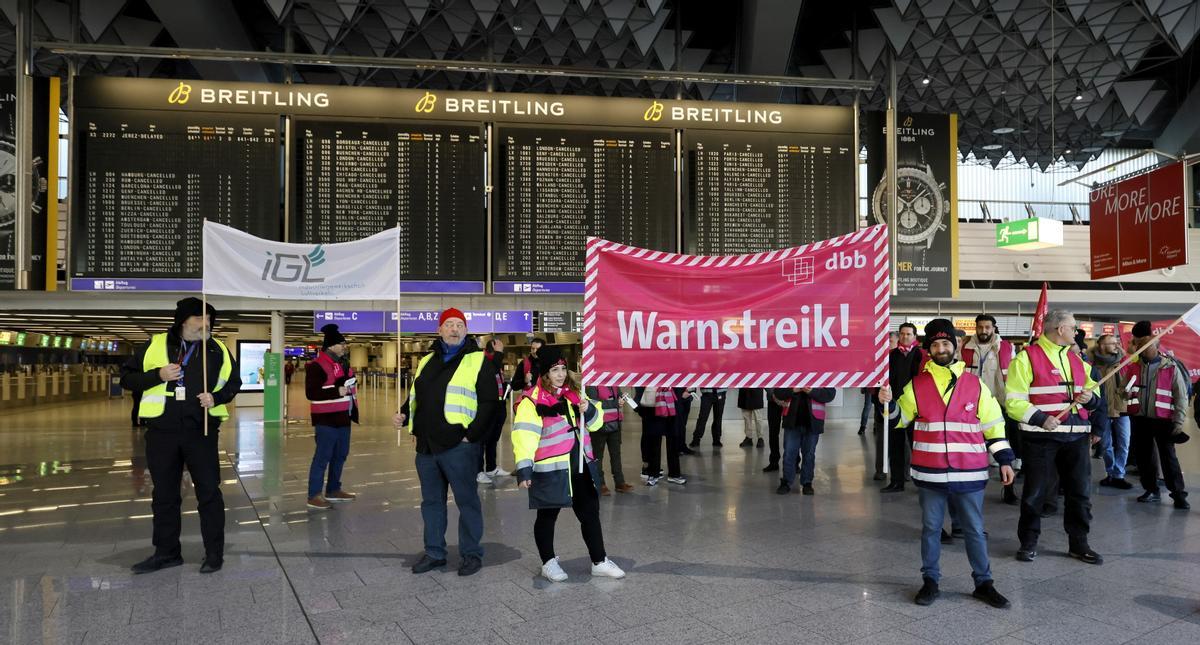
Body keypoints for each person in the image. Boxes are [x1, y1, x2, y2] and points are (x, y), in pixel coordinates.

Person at [879, 318, 1014, 609]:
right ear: (928, 350)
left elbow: (993, 425)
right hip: (930, 473)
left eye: (946, 343)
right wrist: (886, 404)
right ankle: (930, 581)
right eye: (936, 344)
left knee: (974, 530)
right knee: (931, 529)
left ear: (954, 347)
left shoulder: (974, 384)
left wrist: (1004, 459)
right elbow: (898, 420)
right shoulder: (917, 385)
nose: (941, 348)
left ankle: (984, 582)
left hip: (970, 471)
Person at [120, 297, 242, 574]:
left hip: (202, 431)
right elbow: (126, 378)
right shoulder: (155, 345)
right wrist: (158, 375)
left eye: (209, 318)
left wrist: (217, 397)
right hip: (162, 432)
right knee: (164, 494)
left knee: (209, 492)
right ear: (183, 321)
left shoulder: (217, 349)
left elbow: (234, 382)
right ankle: (166, 553)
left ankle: (214, 554)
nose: (206, 323)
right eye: (200, 318)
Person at [395, 308, 498, 577]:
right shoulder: (426, 360)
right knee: (431, 503)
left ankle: (471, 554)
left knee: (467, 501)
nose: (454, 329)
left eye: (459, 325)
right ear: (439, 330)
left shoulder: (478, 361)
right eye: (449, 324)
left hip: (459, 446)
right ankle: (434, 553)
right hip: (426, 446)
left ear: (466, 331)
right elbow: (417, 395)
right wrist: (405, 414)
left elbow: (490, 404)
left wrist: (471, 435)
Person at [513, 347, 626, 582]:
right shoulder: (531, 401)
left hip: (580, 465)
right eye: (555, 370)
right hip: (551, 470)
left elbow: (595, 425)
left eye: (564, 368)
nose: (561, 374)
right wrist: (524, 469)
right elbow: (524, 436)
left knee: (590, 514)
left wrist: (590, 409)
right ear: (544, 373)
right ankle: (548, 562)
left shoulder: (574, 395)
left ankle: (599, 560)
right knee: (547, 516)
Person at [1005, 309, 1104, 565]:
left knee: (1080, 494)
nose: (1076, 331)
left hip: (1077, 438)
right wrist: (1040, 418)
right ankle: (1028, 543)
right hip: (1041, 438)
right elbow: (1013, 402)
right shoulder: (1026, 358)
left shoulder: (1077, 360)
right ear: (1060, 329)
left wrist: (1090, 399)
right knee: (1035, 493)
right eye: (1073, 327)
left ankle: (1079, 544)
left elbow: (1096, 398)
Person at [1124, 321, 1190, 510]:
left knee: (1168, 458)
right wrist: (1125, 393)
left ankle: (1178, 494)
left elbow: (1181, 396)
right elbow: (1124, 389)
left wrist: (1178, 421)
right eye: (1140, 347)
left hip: (1163, 420)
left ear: (1156, 347)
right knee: (1145, 457)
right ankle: (1151, 490)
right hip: (1140, 418)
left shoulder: (1170, 368)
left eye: (1146, 347)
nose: (1142, 350)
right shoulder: (1134, 367)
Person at [959, 314, 1020, 504]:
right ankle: (968, 489)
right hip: (971, 404)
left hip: (999, 405)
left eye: (987, 327)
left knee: (1003, 446)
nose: (984, 331)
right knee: (969, 445)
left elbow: (1014, 376)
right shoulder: (965, 347)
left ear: (994, 328)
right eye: (980, 327)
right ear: (975, 327)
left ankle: (1009, 488)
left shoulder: (1006, 348)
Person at [305, 324, 359, 510]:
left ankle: (333, 489)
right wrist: (337, 390)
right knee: (323, 456)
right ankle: (314, 495)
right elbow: (311, 393)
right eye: (341, 344)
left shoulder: (343, 364)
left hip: (343, 417)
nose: (344, 346)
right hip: (326, 419)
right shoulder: (316, 366)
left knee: (340, 455)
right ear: (331, 346)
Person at [881, 323, 925, 493]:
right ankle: (896, 481)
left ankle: (923, 481)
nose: (905, 337)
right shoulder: (891, 356)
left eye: (909, 334)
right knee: (895, 446)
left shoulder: (922, 355)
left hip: (917, 409)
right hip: (895, 408)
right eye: (902, 334)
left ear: (915, 336)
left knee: (919, 447)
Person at [773, 386, 835, 495]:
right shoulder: (790, 372)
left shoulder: (822, 373)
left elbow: (830, 394)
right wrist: (793, 390)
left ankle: (807, 483)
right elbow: (778, 392)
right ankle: (786, 482)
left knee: (809, 454)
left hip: (813, 422)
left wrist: (812, 391)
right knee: (789, 454)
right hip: (792, 422)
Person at [1091, 334, 1132, 489]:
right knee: (1106, 445)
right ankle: (1110, 473)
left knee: (1124, 443)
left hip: (1122, 409)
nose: (1116, 345)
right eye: (1112, 342)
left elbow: (1131, 382)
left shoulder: (1124, 362)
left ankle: (1119, 474)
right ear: (1101, 344)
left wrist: (1130, 391)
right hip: (1102, 411)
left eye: (1117, 342)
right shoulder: (1092, 364)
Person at [584, 384, 633, 495]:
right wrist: (615, 403)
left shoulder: (613, 382)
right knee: (597, 457)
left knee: (616, 455)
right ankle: (600, 484)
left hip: (615, 424)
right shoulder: (592, 384)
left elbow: (618, 395)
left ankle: (620, 482)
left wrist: (622, 398)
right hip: (599, 426)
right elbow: (594, 403)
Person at [637, 386, 686, 485]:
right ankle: (653, 474)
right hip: (652, 406)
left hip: (671, 402)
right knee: (654, 440)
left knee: (673, 440)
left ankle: (674, 474)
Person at [478, 338, 511, 484]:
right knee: (482, 440)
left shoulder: (497, 363)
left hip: (499, 405)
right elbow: (490, 369)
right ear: (494, 347)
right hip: (486, 406)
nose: (502, 349)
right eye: (500, 346)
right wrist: (499, 353)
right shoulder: (482, 360)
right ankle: (478, 471)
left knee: (493, 439)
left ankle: (491, 467)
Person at [510, 337, 545, 407]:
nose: (535, 351)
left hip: (545, 402)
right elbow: (514, 386)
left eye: (538, 349)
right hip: (529, 403)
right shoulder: (523, 364)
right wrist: (524, 381)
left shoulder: (549, 363)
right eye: (533, 348)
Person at [763, 388, 787, 472]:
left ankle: (794, 462)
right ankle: (774, 461)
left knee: (791, 431)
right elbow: (765, 378)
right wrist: (774, 396)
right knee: (773, 432)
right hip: (773, 400)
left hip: (790, 399)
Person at [674, 387, 698, 456]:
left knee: (683, 425)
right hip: (678, 398)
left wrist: (691, 394)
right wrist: (680, 394)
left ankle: (682, 446)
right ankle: (676, 448)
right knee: (678, 424)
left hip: (688, 397)